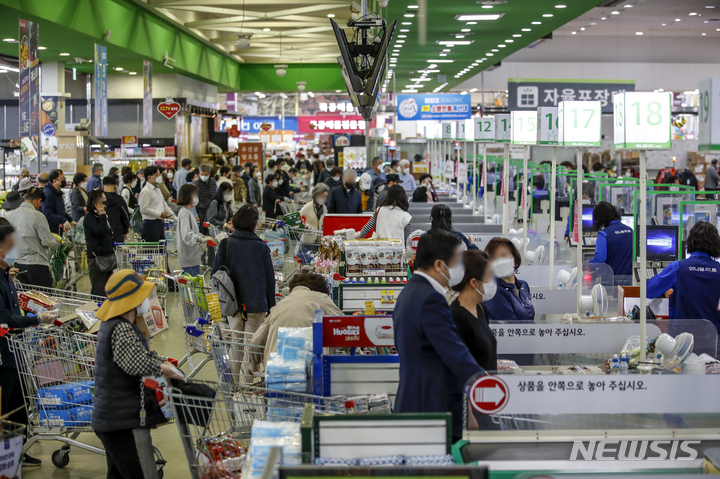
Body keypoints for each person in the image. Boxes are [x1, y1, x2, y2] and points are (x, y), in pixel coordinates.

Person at [92, 269, 184, 479]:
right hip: (124, 422)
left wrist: (161, 362)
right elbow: (136, 363)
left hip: (112, 418)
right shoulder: (121, 328)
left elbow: (138, 356)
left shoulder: (113, 324)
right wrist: (165, 369)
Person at [393, 229, 484, 440]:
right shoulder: (430, 299)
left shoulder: (410, 293)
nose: (461, 269)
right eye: (457, 262)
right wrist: (486, 383)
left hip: (415, 400)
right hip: (431, 407)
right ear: (439, 265)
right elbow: (455, 353)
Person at [0, 218, 57, 467]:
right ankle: (6, 460)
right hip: (4, 355)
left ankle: (18, 452)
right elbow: (4, 321)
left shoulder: (7, 275)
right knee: (6, 410)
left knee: (20, 407)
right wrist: (37, 319)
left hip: (17, 353)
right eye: (13, 244)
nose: (17, 251)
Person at [251, 272, 343, 367]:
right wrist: (356, 352)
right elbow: (345, 326)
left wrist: (254, 363)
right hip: (309, 369)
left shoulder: (278, 307)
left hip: (274, 371)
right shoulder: (321, 298)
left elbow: (257, 340)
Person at [212, 205, 275, 336]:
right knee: (252, 345)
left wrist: (215, 309)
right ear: (254, 223)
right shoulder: (261, 246)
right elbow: (269, 279)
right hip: (256, 304)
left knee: (235, 343)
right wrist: (271, 306)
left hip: (231, 302)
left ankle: (235, 358)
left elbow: (215, 277)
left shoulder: (225, 244)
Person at [647, 221, 720, 329]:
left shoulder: (677, 268)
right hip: (714, 337)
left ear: (690, 242)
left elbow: (648, 290)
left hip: (683, 337)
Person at [450, 249, 497, 372]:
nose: (492, 282)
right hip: (472, 389)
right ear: (474, 282)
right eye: (489, 276)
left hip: (488, 387)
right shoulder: (456, 317)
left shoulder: (480, 309)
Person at [9, 187, 59, 288]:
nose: (39, 207)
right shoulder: (37, 215)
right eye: (40, 204)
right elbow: (47, 241)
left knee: (25, 299)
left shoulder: (11, 215)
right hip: (37, 265)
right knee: (43, 300)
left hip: (18, 264)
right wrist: (57, 243)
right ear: (38, 201)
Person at [483, 237, 535, 321]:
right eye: (494, 258)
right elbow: (512, 328)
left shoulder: (523, 286)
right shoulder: (494, 292)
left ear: (513, 258)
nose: (500, 261)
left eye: (504, 255)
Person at [589, 201, 632, 281]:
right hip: (630, 281)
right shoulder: (630, 231)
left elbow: (599, 260)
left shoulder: (604, 234)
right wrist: (596, 274)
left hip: (611, 283)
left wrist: (587, 266)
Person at [84, 189, 116, 296]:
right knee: (99, 289)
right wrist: (102, 214)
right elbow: (100, 231)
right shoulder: (90, 217)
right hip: (97, 259)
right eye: (103, 200)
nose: (105, 203)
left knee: (108, 288)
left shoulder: (103, 216)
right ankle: (96, 311)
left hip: (107, 256)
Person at [176, 184, 212, 276]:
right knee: (194, 288)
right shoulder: (185, 213)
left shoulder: (188, 212)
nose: (197, 196)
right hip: (189, 259)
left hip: (192, 259)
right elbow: (187, 235)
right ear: (188, 196)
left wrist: (203, 237)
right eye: (195, 194)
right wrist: (202, 239)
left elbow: (193, 232)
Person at [138, 166, 176, 242]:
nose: (159, 177)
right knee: (152, 250)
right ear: (149, 177)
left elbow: (164, 205)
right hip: (150, 225)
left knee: (161, 250)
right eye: (156, 175)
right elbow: (143, 209)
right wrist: (159, 214)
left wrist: (175, 218)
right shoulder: (146, 191)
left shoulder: (157, 189)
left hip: (159, 224)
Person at [42, 169, 74, 235]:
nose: (64, 180)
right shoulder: (48, 194)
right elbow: (47, 214)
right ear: (55, 181)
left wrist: (70, 220)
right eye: (62, 178)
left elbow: (59, 211)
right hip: (50, 232)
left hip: (58, 230)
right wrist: (63, 220)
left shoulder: (58, 193)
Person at [103, 175, 131, 244]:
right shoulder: (120, 200)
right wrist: (125, 231)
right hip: (117, 233)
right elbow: (126, 217)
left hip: (101, 234)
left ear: (103, 186)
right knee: (118, 253)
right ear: (115, 186)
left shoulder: (98, 200)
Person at [194, 164, 217, 232]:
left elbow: (217, 195)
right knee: (202, 231)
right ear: (199, 173)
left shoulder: (213, 182)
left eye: (206, 174)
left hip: (212, 211)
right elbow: (192, 201)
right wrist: (195, 215)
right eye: (202, 174)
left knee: (212, 231)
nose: (203, 176)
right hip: (201, 212)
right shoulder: (195, 184)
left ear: (209, 174)